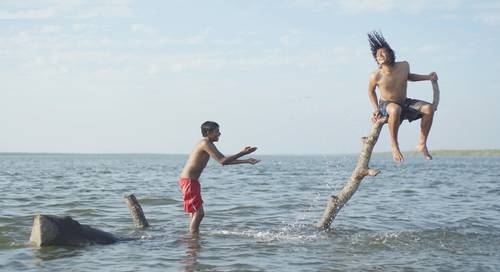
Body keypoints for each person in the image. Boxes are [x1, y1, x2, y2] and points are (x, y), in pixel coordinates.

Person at [367, 31, 438, 163]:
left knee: (428, 109)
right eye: (377, 55)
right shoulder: (375, 75)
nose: (380, 56)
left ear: (390, 53)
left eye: (382, 52)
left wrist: (428, 77)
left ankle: (422, 144)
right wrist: (376, 109)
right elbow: (371, 92)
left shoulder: (404, 65)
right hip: (386, 105)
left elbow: (409, 77)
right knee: (394, 110)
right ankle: (394, 146)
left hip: (404, 102)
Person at [179, 121, 260, 234]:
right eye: (217, 132)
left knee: (194, 212)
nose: (219, 134)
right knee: (199, 213)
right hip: (189, 181)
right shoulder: (205, 143)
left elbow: (223, 162)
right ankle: (193, 237)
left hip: (192, 181)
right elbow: (222, 160)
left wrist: (246, 161)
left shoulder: (209, 143)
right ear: (208, 132)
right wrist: (243, 153)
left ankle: (193, 238)